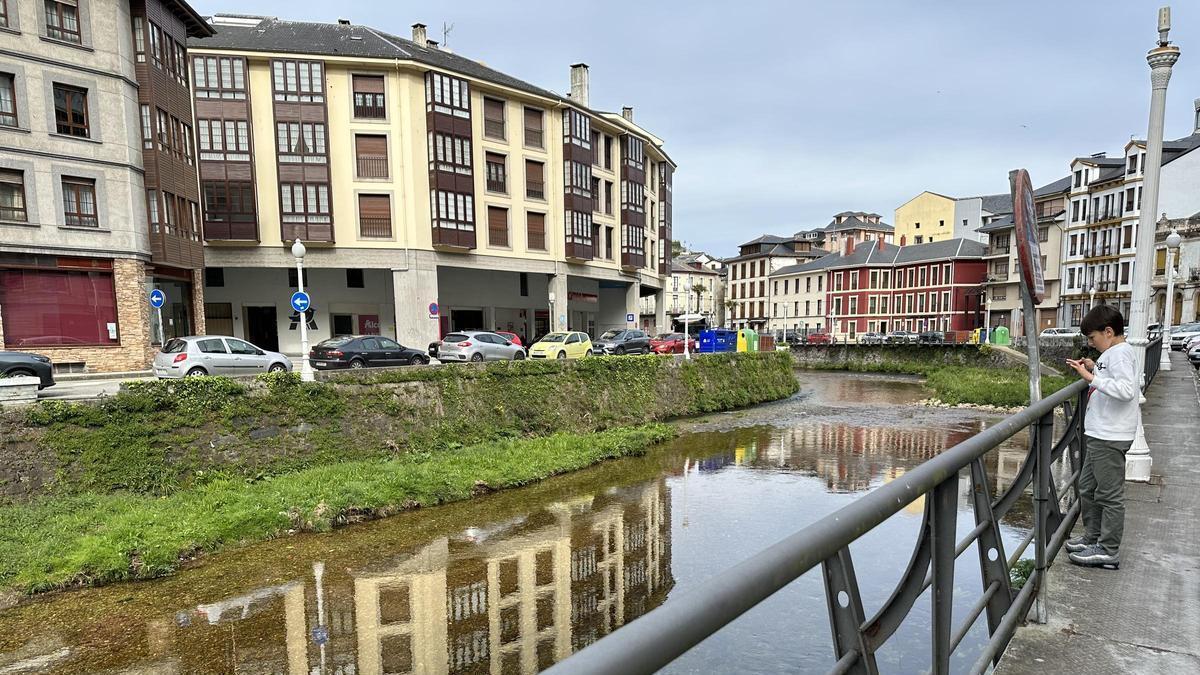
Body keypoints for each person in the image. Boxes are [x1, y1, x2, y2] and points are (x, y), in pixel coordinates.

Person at [1063, 305, 1140, 570]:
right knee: (1087, 488)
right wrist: (1095, 368)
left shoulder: (1120, 354)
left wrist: (1089, 378)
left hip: (1110, 435)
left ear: (1108, 331)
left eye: (1092, 338)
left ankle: (1108, 550)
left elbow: (1126, 390)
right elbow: (1112, 378)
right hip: (1100, 433)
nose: (1090, 343)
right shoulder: (1112, 353)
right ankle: (1093, 537)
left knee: (1109, 494)